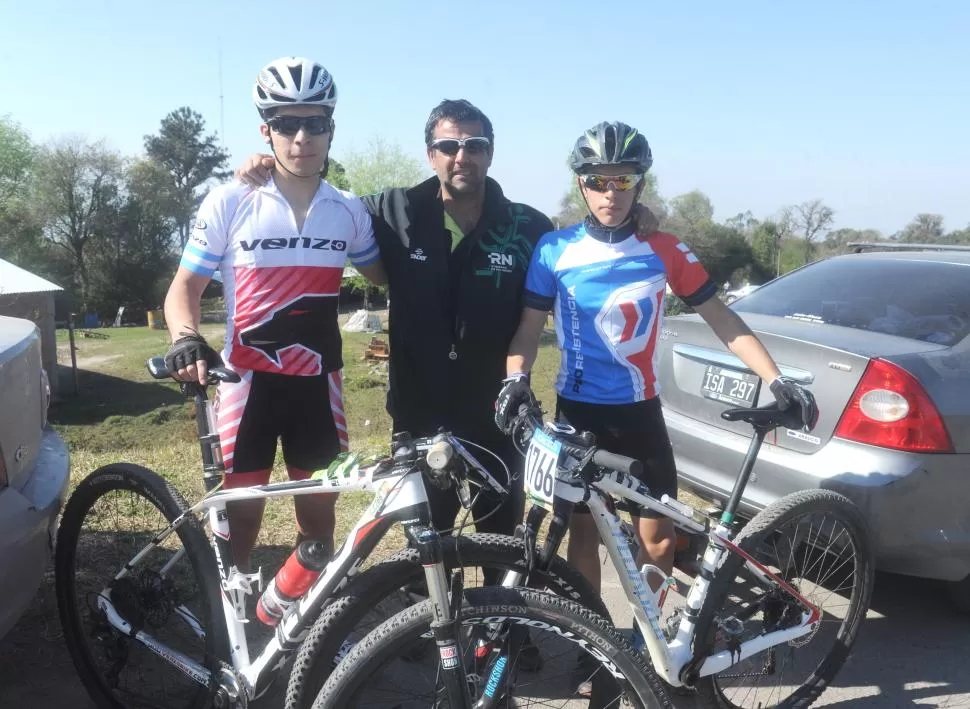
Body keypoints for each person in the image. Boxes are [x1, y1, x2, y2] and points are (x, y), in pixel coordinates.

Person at [236, 100, 661, 543]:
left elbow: (587, 246)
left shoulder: (528, 226)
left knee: (504, 547)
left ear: (490, 153)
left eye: (474, 145)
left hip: (499, 419)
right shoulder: (390, 211)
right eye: (448, 146)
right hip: (419, 419)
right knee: (427, 554)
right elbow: (319, 201)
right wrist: (274, 168)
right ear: (430, 154)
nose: (462, 156)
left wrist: (633, 219)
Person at [494, 121, 818, 673]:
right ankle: (593, 645)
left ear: (640, 184)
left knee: (659, 543)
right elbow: (527, 330)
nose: (610, 193)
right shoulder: (555, 249)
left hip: (639, 415)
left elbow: (721, 317)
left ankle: (644, 641)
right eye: (598, 181)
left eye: (623, 180)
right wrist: (515, 379)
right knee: (582, 536)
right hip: (578, 414)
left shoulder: (663, 248)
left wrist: (776, 377)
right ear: (581, 184)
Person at [163, 57, 386, 573]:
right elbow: (184, 287)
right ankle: (233, 616)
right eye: (287, 124)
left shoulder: (349, 209)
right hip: (248, 383)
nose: (302, 137)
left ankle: (299, 613)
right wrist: (184, 336)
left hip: (319, 387)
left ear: (331, 129)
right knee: (241, 520)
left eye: (315, 123)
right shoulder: (230, 200)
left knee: (319, 523)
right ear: (266, 130)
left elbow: (385, 275)